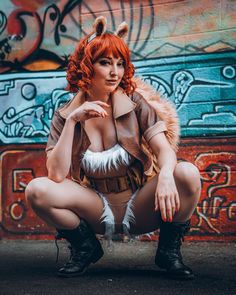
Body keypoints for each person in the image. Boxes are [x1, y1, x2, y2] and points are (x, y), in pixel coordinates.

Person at [25, 16, 201, 280]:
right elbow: (56, 175)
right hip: (96, 207)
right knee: (36, 190)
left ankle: (168, 252)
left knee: (187, 174)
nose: (114, 72)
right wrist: (73, 121)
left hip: (140, 203)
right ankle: (86, 247)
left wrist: (165, 175)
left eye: (120, 64)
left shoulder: (136, 104)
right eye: (105, 63)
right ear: (87, 67)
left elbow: (164, 149)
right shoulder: (65, 115)